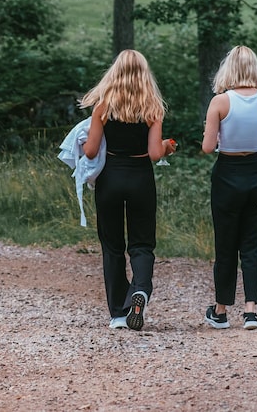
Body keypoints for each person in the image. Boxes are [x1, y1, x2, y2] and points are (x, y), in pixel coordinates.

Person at [81, 50, 176, 330]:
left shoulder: (103, 106)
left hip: (110, 178)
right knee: (142, 244)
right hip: (140, 178)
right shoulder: (152, 108)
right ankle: (140, 290)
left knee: (112, 246)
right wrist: (169, 146)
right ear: (145, 75)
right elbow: (155, 153)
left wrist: (84, 141)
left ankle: (118, 314)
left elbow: (90, 152)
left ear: (115, 73)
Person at [201, 45, 257, 331]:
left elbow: (208, 147)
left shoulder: (220, 102)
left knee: (226, 244)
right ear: (255, 69)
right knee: (251, 245)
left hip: (228, 174)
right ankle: (251, 311)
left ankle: (221, 311)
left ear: (229, 69)